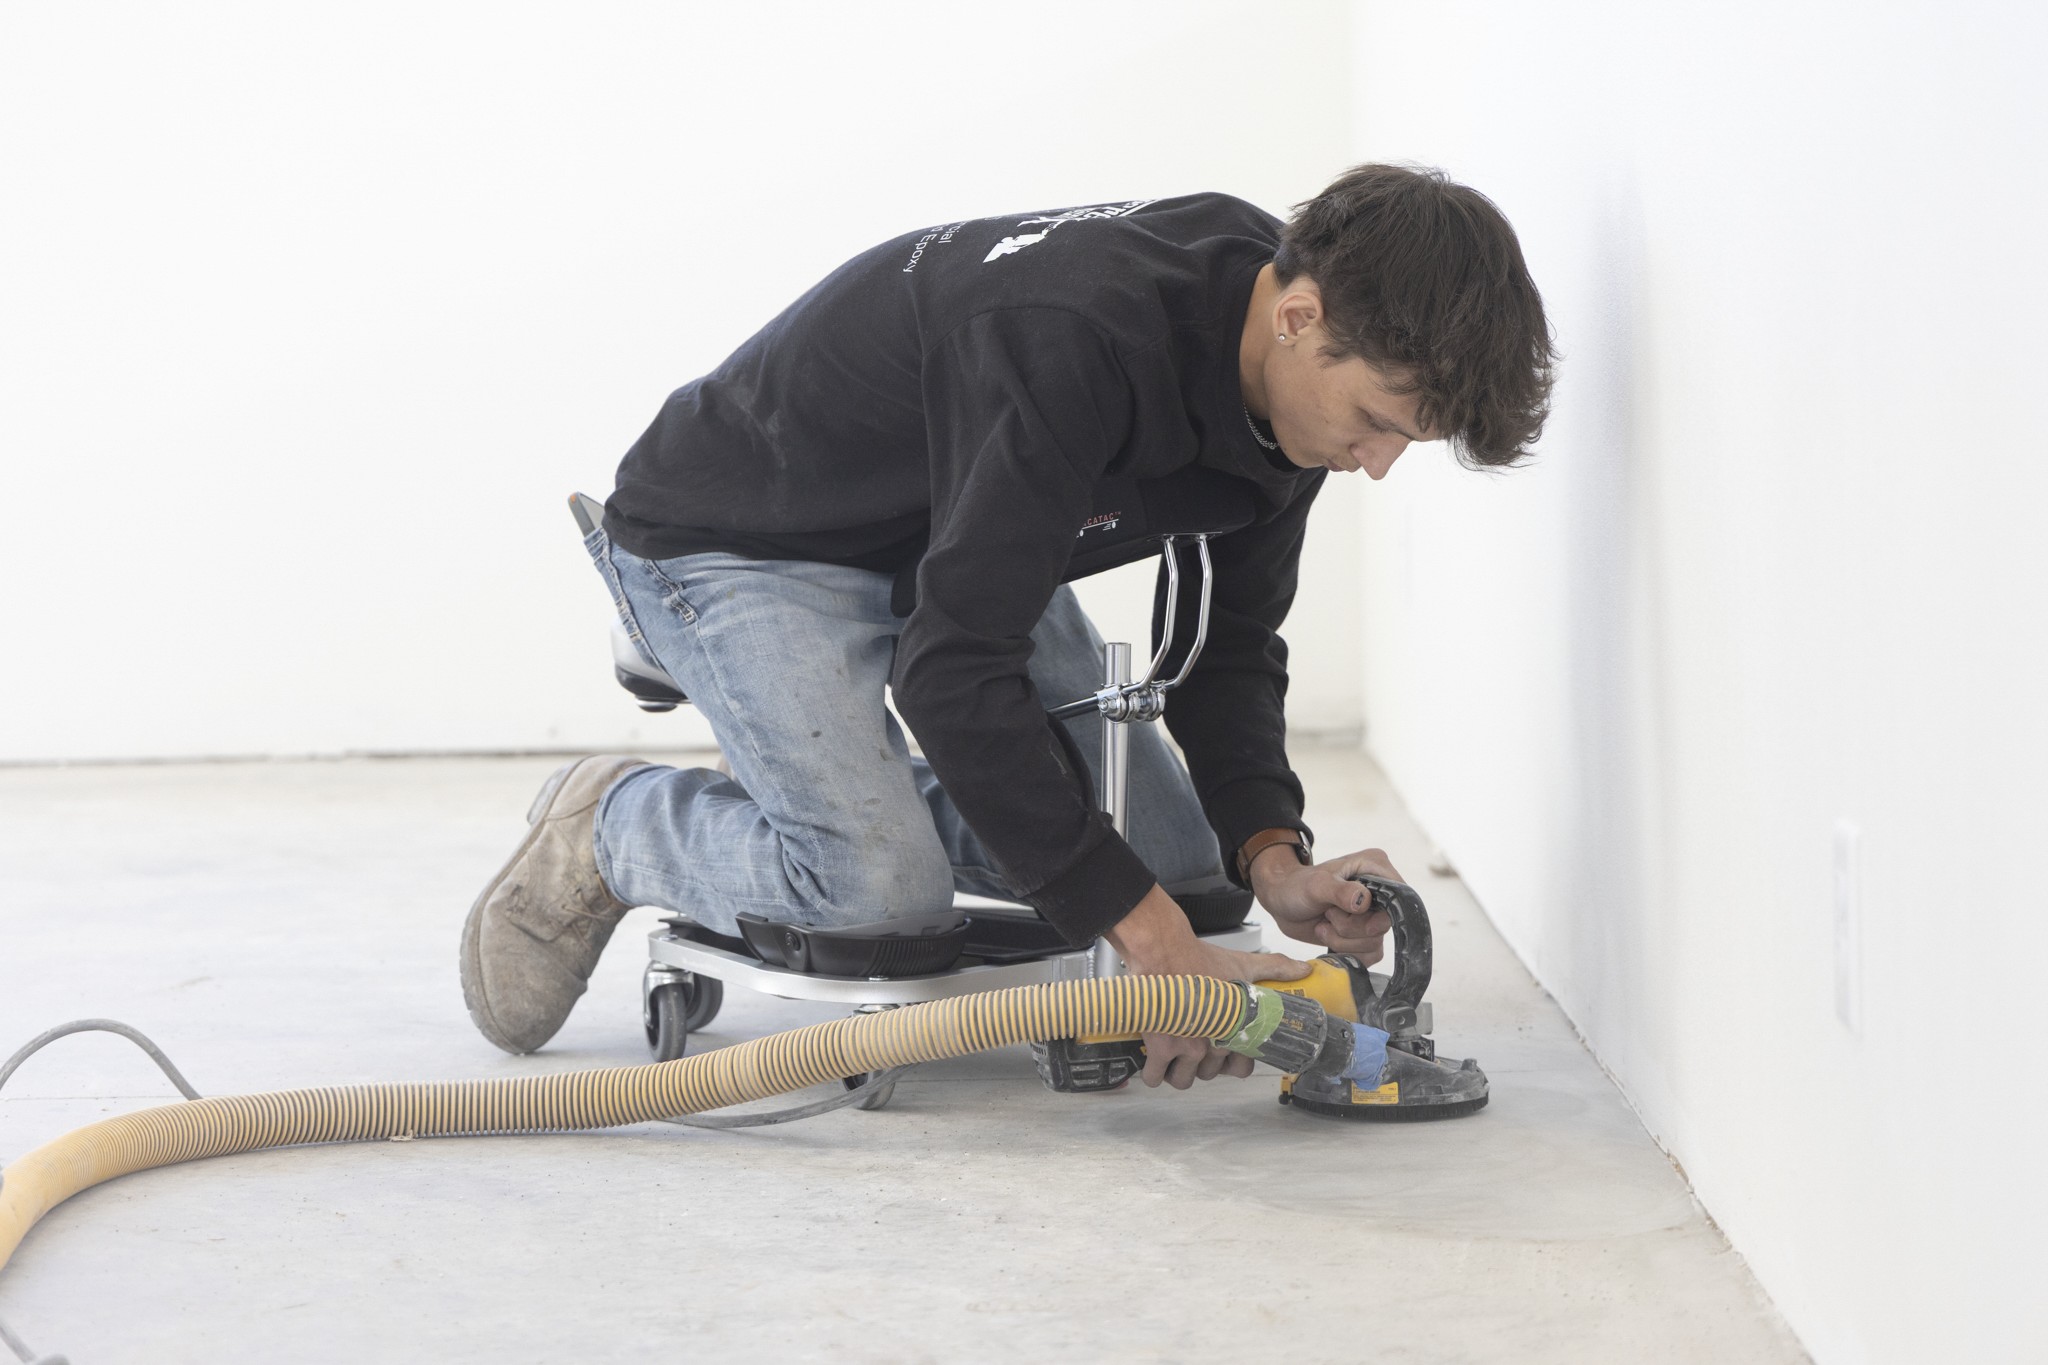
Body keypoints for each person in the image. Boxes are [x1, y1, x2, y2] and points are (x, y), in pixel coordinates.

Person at [459, 164, 1555, 1089]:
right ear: (1298, 317)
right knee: (875, 900)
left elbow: (1229, 653)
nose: (1374, 463)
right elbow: (953, 672)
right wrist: (1151, 947)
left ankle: (850, 804)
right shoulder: (1077, 336)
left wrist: (1270, 861)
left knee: (1187, 878)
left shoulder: (1289, 397)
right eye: (1373, 423)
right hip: (745, 533)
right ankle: (611, 823)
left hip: (957, 538)